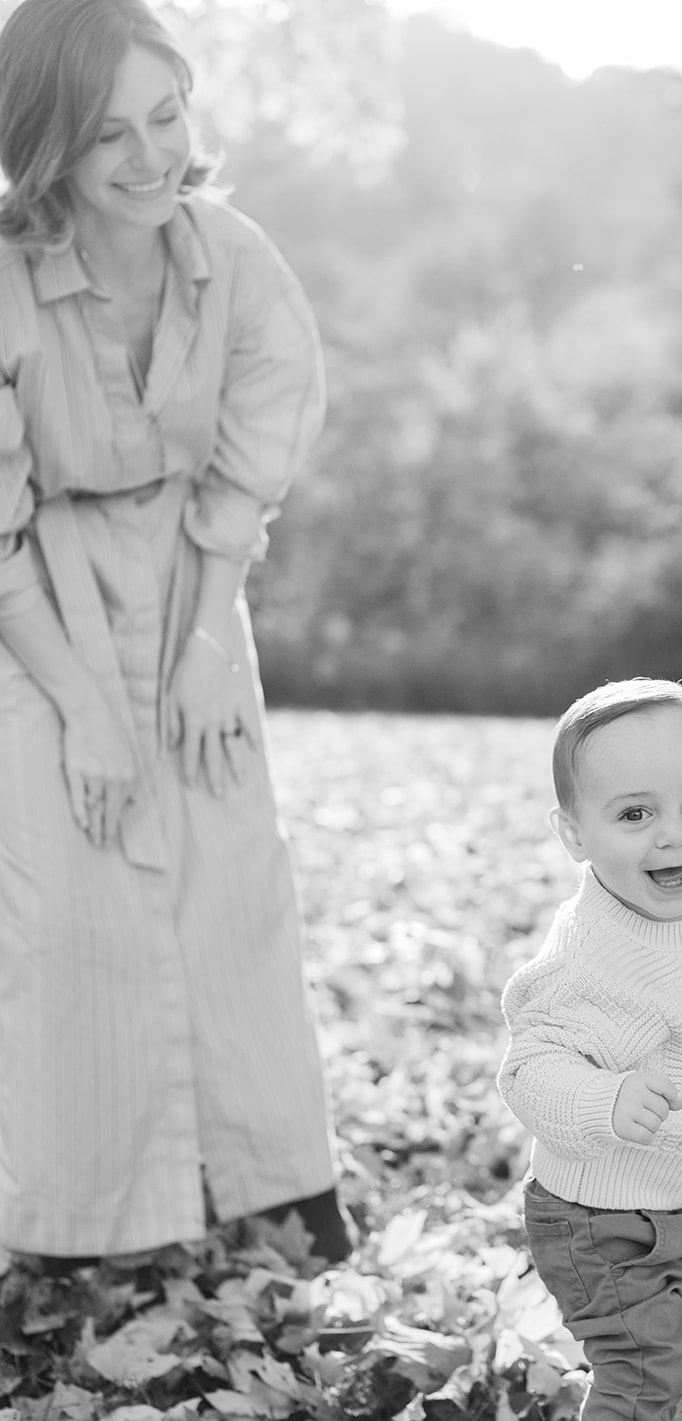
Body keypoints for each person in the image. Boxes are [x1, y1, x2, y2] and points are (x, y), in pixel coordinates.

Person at [0, 0, 351, 1269]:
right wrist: (87, 707)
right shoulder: (3, 275)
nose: (151, 157)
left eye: (167, 113)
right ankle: (77, 1224)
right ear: (49, 150)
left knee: (229, 866)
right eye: (109, 138)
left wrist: (208, 645)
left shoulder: (230, 252)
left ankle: (272, 1183)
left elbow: (249, 467)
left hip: (197, 575)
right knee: (71, 893)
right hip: (37, 593)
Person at [497, 678, 682, 1421]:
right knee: (641, 1363)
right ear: (573, 834)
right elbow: (530, 1070)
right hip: (599, 1215)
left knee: (679, 1329)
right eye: (633, 814)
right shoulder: (591, 956)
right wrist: (602, 1099)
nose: (672, 839)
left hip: (676, 1194)